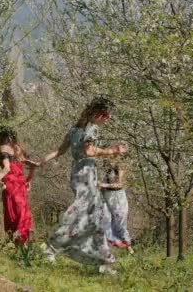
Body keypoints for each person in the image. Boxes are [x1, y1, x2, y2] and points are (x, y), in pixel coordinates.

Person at [41, 97, 127, 275]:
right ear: (96, 114)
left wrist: (41, 161)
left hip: (78, 174)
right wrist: (112, 151)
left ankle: (103, 261)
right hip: (86, 174)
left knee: (97, 216)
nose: (107, 119)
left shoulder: (74, 129)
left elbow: (60, 151)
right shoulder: (91, 129)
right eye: (105, 115)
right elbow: (89, 151)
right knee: (81, 213)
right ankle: (51, 246)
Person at [0, 126, 38, 245]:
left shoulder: (4, 148)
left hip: (13, 184)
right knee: (22, 210)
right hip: (19, 184)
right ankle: (22, 239)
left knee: (15, 211)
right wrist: (28, 181)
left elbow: (7, 168)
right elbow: (28, 167)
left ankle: (18, 239)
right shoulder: (18, 148)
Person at [99, 158, 134, 254]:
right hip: (106, 196)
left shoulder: (120, 168)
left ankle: (128, 246)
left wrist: (104, 185)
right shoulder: (104, 170)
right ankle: (107, 249)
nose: (105, 162)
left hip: (118, 197)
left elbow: (120, 184)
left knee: (120, 222)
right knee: (106, 221)